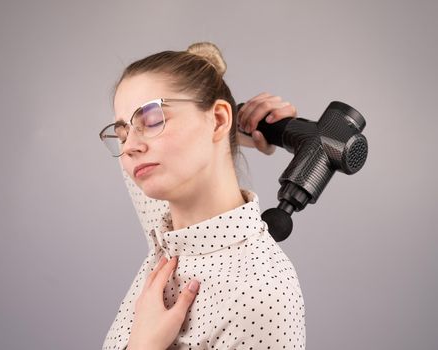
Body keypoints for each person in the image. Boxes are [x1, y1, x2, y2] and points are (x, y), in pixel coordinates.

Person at [100, 42, 306, 350]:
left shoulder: (262, 294)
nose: (129, 147)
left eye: (152, 119)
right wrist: (231, 124)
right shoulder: (165, 222)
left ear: (219, 120)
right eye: (122, 134)